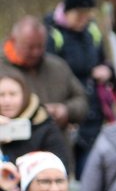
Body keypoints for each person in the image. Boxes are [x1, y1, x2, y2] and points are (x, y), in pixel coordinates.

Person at [43, 0, 115, 170]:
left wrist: (106, 70)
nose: (83, 19)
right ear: (67, 12)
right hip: (68, 109)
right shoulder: (53, 35)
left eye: (87, 14)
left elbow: (103, 59)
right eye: (78, 15)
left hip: (94, 107)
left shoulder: (92, 32)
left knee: (91, 164)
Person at [0, 16, 89, 152]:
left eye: (40, 46)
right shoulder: (2, 68)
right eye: (30, 47)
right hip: (10, 156)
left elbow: (82, 99)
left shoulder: (58, 66)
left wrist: (66, 110)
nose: (36, 52)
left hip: (57, 155)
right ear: (14, 40)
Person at [0, 72, 68, 165]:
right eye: (1, 95)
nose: (7, 101)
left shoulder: (44, 127)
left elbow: (59, 167)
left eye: (13, 94)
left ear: (24, 96)